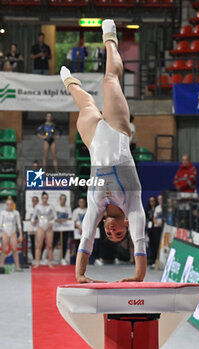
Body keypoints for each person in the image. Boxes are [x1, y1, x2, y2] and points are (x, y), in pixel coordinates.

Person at [60, 19, 147, 283]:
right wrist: (137, 277)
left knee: (85, 106)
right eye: (119, 234)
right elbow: (141, 246)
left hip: (94, 141)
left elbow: (86, 238)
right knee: (110, 80)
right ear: (126, 227)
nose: (112, 232)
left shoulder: (96, 209)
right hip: (118, 129)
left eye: (109, 235)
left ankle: (71, 84)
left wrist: (81, 274)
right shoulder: (134, 208)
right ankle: (110, 37)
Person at [31, 191, 56, 268]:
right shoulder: (37, 207)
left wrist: (51, 223)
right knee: (39, 245)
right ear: (41, 198)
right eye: (44, 198)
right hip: (40, 226)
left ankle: (50, 262)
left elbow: (55, 217)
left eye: (46, 198)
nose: (45, 199)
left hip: (48, 227)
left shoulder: (51, 206)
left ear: (47, 198)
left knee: (50, 245)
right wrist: (34, 221)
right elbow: (33, 218)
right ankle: (37, 262)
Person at [0, 197, 23, 271]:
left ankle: (17, 266)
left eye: (11, 204)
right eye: (8, 204)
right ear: (6, 204)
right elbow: (0, 224)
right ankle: (1, 266)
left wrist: (21, 235)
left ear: (13, 204)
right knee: (3, 249)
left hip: (13, 232)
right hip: (5, 232)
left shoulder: (16, 213)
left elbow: (19, 225)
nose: (9, 205)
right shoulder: (2, 213)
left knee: (14, 249)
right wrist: (1, 234)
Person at [54, 194, 72, 265]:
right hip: (56, 228)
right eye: (61, 199)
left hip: (65, 227)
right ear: (59, 200)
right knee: (54, 242)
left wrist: (63, 220)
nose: (63, 201)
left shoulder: (68, 208)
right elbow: (53, 216)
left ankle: (63, 258)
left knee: (64, 242)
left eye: (64, 199)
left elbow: (70, 217)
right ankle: (50, 258)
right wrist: (58, 220)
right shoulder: (56, 207)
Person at [25, 196, 39, 262]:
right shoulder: (29, 210)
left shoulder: (40, 209)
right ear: (32, 202)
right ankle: (34, 258)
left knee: (40, 244)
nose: (35, 202)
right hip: (32, 228)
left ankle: (39, 258)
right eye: (34, 200)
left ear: (38, 201)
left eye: (36, 200)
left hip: (39, 228)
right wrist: (33, 220)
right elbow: (27, 219)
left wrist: (38, 220)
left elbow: (43, 217)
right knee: (33, 243)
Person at [151, 194, 163, 266]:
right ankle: (157, 261)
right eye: (159, 199)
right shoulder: (157, 208)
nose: (160, 200)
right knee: (157, 244)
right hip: (157, 228)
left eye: (161, 199)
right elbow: (154, 218)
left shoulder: (165, 207)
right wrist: (157, 223)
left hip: (164, 228)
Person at [145, 196, 156, 265]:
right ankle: (151, 258)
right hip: (149, 229)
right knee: (150, 243)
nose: (152, 202)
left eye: (153, 201)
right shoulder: (148, 210)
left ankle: (155, 258)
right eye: (150, 201)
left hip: (156, 228)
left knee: (155, 243)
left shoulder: (157, 209)